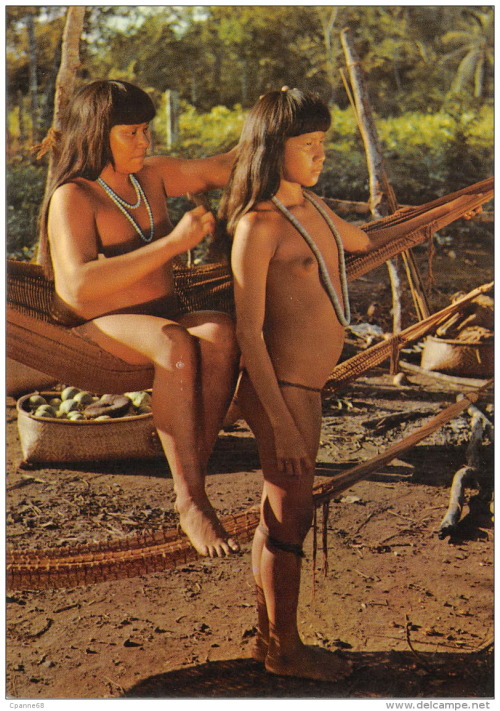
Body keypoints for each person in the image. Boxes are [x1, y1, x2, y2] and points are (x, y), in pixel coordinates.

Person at [218, 87, 401, 682]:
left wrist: (439, 215)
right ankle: (288, 650)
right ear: (275, 150)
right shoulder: (258, 224)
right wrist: (281, 420)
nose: (322, 155)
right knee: (289, 518)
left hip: (307, 389)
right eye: (310, 145)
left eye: (325, 143)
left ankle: (269, 637)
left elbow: (366, 240)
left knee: (282, 512)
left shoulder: (315, 209)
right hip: (282, 388)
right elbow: (248, 332)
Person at [38, 79, 240, 558]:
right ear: (96, 133)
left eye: (146, 130)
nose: (144, 142)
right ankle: (190, 501)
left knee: (220, 333)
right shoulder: (75, 197)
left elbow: (218, 169)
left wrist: (270, 124)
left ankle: (192, 465)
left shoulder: (152, 176)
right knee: (174, 343)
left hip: (162, 314)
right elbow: (76, 286)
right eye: (131, 132)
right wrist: (173, 245)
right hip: (98, 328)